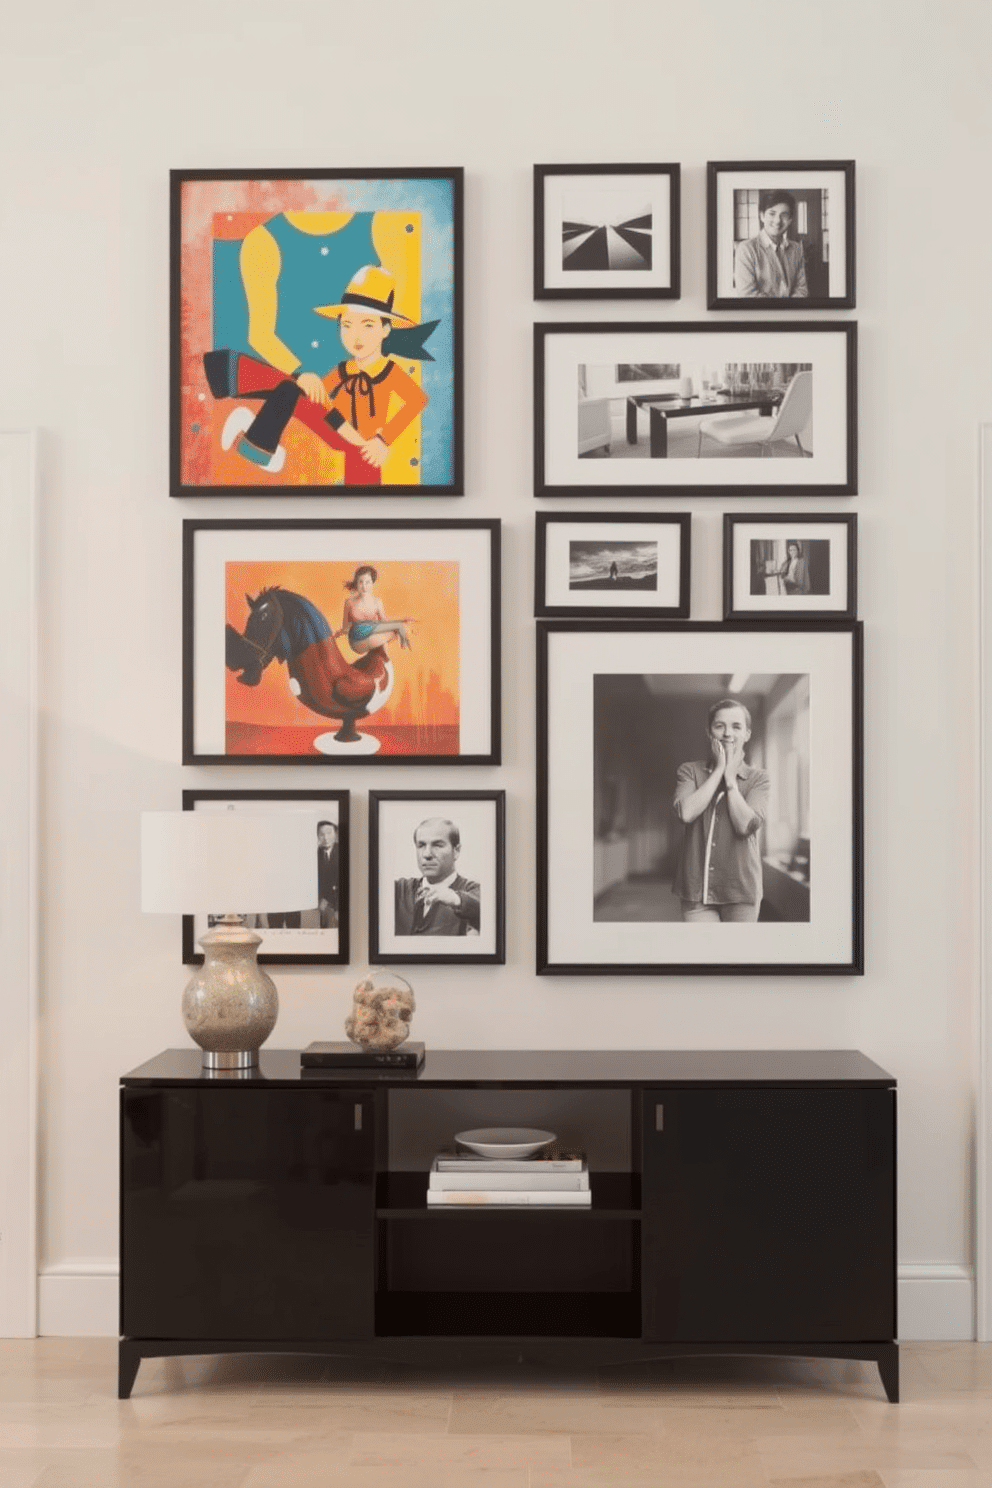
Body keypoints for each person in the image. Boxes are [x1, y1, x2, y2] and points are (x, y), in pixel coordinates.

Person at [204, 257, 434, 484]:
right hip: (335, 425)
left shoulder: (390, 371)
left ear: (385, 330)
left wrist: (383, 439)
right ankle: (257, 436)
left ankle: (231, 381)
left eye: (368, 325)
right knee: (292, 388)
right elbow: (319, 397)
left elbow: (417, 400)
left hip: (362, 443)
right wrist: (309, 380)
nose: (356, 336)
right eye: (347, 325)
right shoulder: (345, 368)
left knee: (363, 477)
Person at [672, 699, 770, 923]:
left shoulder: (759, 778)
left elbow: (745, 825)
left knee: (737, 957)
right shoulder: (689, 771)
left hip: (742, 891)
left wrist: (730, 780)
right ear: (709, 733)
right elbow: (686, 813)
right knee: (703, 956)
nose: (728, 733)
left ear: (747, 734)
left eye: (736, 726)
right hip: (696, 891)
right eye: (720, 726)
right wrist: (719, 770)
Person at [394, 817, 480, 936]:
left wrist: (455, 899)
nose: (427, 854)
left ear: (456, 851)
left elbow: (489, 910)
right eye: (421, 845)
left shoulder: (473, 891)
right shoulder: (400, 889)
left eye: (438, 845)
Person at [734, 191, 808, 299]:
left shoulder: (796, 249)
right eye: (772, 214)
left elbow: (802, 289)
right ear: (762, 216)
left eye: (784, 215)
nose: (778, 221)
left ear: (790, 220)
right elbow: (747, 295)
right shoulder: (746, 249)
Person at [334, 565, 414, 655]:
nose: (364, 586)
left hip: (373, 637)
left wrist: (401, 620)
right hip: (357, 641)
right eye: (361, 582)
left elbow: (383, 621)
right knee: (371, 626)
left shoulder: (377, 602)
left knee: (390, 631)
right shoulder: (349, 602)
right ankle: (399, 627)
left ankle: (400, 629)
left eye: (367, 582)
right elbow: (346, 627)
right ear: (356, 583)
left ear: (373, 583)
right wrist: (337, 634)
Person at [317, 820, 339, 929]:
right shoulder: (316, 854)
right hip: (322, 905)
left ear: (336, 834)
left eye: (329, 833)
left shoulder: (345, 851)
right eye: (321, 834)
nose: (325, 838)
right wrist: (321, 898)